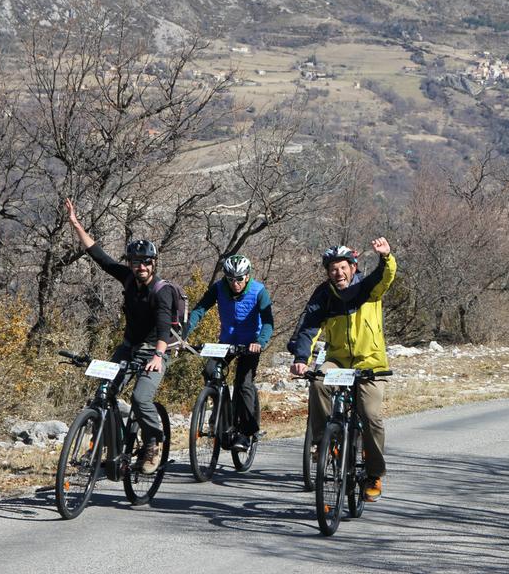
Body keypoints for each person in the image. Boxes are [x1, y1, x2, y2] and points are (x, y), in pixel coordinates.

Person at [64, 198, 176, 474]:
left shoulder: (162, 291)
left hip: (155, 350)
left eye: (146, 262)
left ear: (153, 263)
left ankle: (152, 443)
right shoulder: (127, 278)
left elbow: (164, 327)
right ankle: (105, 450)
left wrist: (158, 356)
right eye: (136, 262)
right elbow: (100, 256)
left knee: (140, 398)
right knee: (103, 394)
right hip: (128, 347)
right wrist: (76, 225)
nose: (141, 267)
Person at [288, 238, 396, 501]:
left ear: (353, 268)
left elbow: (385, 277)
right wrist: (301, 358)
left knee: (370, 415)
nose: (338, 273)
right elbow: (309, 328)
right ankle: (323, 442)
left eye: (343, 268)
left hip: (370, 363)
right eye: (333, 269)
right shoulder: (323, 295)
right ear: (328, 272)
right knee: (318, 382)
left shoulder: (368, 289)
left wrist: (386, 257)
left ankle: (374, 474)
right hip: (338, 360)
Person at [182, 254, 274, 451]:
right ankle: (221, 415)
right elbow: (199, 310)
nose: (235, 283)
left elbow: (268, 322)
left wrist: (260, 342)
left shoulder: (259, 291)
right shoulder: (219, 288)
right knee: (210, 371)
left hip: (250, 344)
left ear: (247, 276)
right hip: (226, 342)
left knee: (243, 384)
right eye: (230, 279)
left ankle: (246, 433)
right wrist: (183, 334)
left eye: (239, 279)